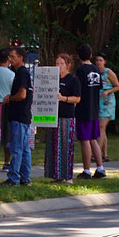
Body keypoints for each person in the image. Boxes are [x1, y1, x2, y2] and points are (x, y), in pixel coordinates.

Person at [3, 45, 35, 185]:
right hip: (23, 116)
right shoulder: (22, 73)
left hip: (19, 115)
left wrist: (10, 98)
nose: (10, 59)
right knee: (24, 148)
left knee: (16, 148)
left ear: (21, 58)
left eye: (13, 57)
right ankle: (24, 177)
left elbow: (22, 95)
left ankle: (14, 177)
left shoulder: (22, 73)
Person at [74, 44, 106, 178]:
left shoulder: (81, 71)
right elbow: (100, 88)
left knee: (85, 140)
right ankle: (100, 167)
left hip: (83, 109)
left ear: (78, 56)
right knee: (93, 139)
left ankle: (86, 170)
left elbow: (78, 90)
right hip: (94, 108)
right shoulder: (96, 70)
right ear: (91, 55)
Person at [50, 53, 78, 181]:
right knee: (55, 146)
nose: (59, 66)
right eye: (57, 63)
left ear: (68, 65)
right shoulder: (52, 79)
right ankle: (57, 175)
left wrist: (64, 98)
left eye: (62, 63)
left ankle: (67, 176)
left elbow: (77, 98)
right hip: (54, 116)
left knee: (66, 146)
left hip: (67, 116)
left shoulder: (72, 80)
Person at [95, 53, 118, 160]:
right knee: (101, 128)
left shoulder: (108, 72)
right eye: (97, 60)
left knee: (101, 126)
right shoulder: (95, 72)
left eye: (101, 60)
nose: (99, 62)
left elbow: (118, 87)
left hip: (107, 101)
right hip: (98, 100)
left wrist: (108, 91)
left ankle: (97, 153)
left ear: (105, 62)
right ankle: (105, 154)